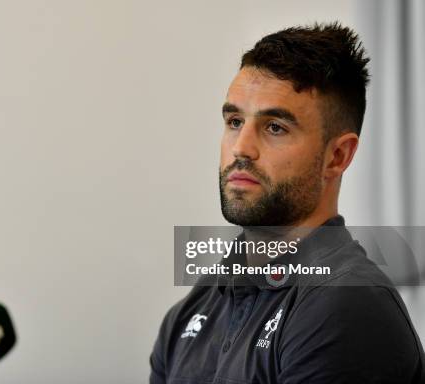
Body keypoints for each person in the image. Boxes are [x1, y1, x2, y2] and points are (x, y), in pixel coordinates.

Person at [150, 22, 425, 384]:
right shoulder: (193, 309)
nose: (241, 148)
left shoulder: (346, 303)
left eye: (275, 127)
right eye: (234, 121)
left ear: (337, 156)